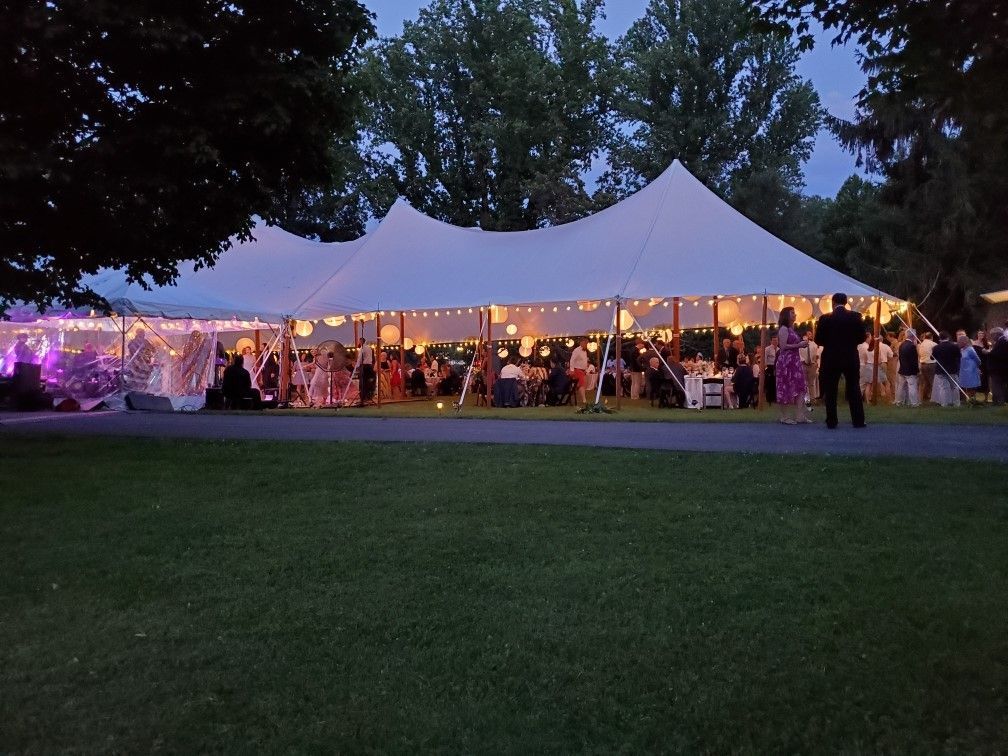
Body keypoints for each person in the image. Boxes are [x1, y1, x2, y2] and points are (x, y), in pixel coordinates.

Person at [814, 292, 867, 428]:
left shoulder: (825, 319)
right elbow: (862, 337)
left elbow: (818, 339)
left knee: (831, 389)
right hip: (850, 357)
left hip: (831, 357)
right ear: (846, 302)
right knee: (854, 388)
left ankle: (832, 421)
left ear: (833, 303)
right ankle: (858, 420)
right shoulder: (856, 317)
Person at [773, 307, 811, 424]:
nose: (795, 314)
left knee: (801, 387)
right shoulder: (784, 329)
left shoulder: (792, 329)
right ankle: (784, 416)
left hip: (795, 361)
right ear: (786, 315)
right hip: (786, 361)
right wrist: (799, 345)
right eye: (792, 313)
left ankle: (800, 415)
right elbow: (783, 346)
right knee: (785, 386)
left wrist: (801, 345)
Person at [857, 333, 893, 403]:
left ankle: (867, 401)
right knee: (886, 383)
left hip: (868, 366)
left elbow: (865, 360)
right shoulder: (876, 350)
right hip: (876, 367)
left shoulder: (867, 349)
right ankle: (889, 400)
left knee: (868, 384)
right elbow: (879, 360)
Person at [931, 331, 961, 407]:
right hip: (952, 369)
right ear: (948, 337)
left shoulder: (936, 347)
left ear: (940, 338)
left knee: (943, 387)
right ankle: (956, 403)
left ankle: (944, 403)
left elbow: (932, 357)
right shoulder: (954, 346)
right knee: (954, 386)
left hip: (940, 370)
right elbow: (959, 356)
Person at [894, 329, 920, 407]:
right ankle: (914, 403)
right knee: (912, 386)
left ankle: (899, 401)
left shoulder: (902, 344)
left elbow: (901, 358)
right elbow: (914, 360)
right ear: (913, 336)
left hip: (902, 369)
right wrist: (917, 370)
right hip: (910, 370)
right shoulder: (912, 346)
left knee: (900, 387)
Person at [957, 334, 982, 401]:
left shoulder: (970, 349)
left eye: (959, 342)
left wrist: (976, 368)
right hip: (963, 371)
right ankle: (965, 400)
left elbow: (978, 360)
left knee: (971, 387)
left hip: (971, 372)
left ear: (964, 342)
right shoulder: (961, 350)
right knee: (963, 386)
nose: (958, 343)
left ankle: (973, 401)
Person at [987, 327, 1008, 405]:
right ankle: (998, 400)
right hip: (999, 368)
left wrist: (989, 353)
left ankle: (999, 401)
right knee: (998, 385)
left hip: (998, 369)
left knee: (997, 385)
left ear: (996, 334)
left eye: (992, 335)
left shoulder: (1002, 341)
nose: (992, 337)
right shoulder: (1001, 341)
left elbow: (999, 354)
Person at [799, 330, 819, 402]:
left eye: (811, 334)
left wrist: (816, 359)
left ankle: (812, 398)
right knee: (804, 383)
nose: (810, 335)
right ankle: (805, 399)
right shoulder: (801, 344)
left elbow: (817, 354)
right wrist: (803, 360)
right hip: (804, 365)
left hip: (812, 365)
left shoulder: (814, 344)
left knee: (811, 383)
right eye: (809, 334)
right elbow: (799, 353)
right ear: (805, 336)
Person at [569, 337, 590, 406]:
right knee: (581, 384)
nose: (587, 344)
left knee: (582, 384)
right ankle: (584, 400)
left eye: (587, 343)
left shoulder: (585, 351)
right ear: (581, 343)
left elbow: (585, 361)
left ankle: (577, 397)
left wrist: (586, 370)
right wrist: (572, 370)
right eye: (586, 343)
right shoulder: (576, 350)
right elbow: (572, 360)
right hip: (577, 370)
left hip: (583, 370)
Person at [917, 331, 937, 402]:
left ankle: (924, 396)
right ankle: (933, 397)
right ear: (932, 337)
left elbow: (919, 354)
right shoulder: (933, 344)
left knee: (925, 381)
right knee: (932, 381)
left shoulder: (921, 344)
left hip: (923, 364)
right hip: (931, 364)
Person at [356, 337, 375, 402]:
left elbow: (360, 358)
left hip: (364, 366)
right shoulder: (369, 348)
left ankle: (363, 397)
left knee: (363, 382)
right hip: (369, 366)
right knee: (368, 382)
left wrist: (357, 366)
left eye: (359, 341)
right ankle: (368, 396)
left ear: (361, 341)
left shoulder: (362, 348)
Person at [763, 336, 778, 405]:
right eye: (774, 340)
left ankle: (775, 398)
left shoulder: (779, 349)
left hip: (777, 367)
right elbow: (765, 358)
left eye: (776, 340)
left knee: (775, 382)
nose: (775, 342)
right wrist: (765, 367)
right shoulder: (767, 349)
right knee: (769, 383)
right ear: (771, 341)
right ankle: (769, 398)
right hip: (769, 366)